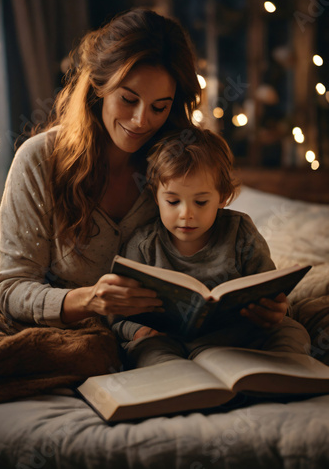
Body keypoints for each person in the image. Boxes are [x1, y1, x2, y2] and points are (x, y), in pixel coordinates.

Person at [0, 8, 203, 327]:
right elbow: (11, 288)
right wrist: (89, 301)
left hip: (163, 339)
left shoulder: (181, 164)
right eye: (128, 99)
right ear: (98, 87)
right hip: (78, 339)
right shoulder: (39, 160)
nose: (141, 121)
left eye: (160, 107)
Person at [112, 127, 311, 367]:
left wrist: (277, 311)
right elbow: (117, 315)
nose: (186, 214)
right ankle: (180, 383)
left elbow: (273, 294)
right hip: (169, 342)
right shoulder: (143, 245)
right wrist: (138, 331)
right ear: (156, 197)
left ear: (223, 197)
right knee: (145, 350)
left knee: (292, 331)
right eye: (173, 201)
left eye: (201, 201)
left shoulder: (240, 232)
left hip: (239, 340)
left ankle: (274, 380)